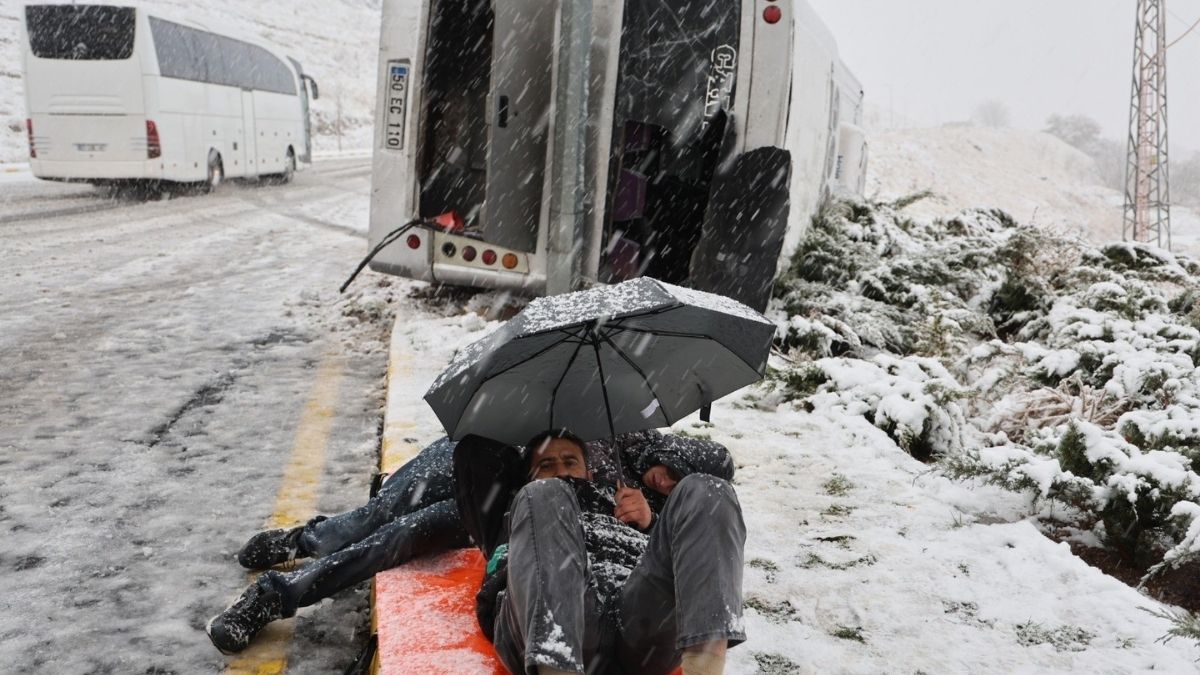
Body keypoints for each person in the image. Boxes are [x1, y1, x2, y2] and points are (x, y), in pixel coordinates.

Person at [205, 430, 729, 656]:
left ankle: (287, 581)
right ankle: (296, 555)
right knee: (387, 519)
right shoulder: (521, 404)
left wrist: (666, 473)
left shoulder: (629, 440)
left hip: (522, 526)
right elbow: (480, 451)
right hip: (494, 487)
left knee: (403, 534)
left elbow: (719, 462)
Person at [455, 430, 746, 675]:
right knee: (545, 494)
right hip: (550, 628)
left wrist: (651, 523)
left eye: (570, 461)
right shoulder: (523, 506)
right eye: (546, 464)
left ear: (590, 472)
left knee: (708, 489)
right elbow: (473, 450)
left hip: (638, 627)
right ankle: (556, 668)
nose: (560, 470)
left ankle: (705, 666)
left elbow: (717, 463)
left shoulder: (627, 501)